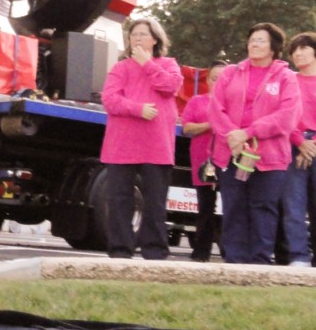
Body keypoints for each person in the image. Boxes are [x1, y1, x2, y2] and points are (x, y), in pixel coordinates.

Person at [208, 23, 301, 265]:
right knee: (234, 207)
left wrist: (248, 132)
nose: (254, 44)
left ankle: (259, 264)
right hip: (231, 153)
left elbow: (287, 116)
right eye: (252, 40)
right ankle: (235, 262)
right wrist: (233, 136)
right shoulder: (230, 73)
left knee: (264, 208)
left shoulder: (286, 77)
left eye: (261, 40)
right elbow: (216, 109)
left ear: (274, 47)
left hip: (270, 157)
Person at [100, 17, 183, 260]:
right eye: (134, 34)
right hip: (121, 146)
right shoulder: (120, 68)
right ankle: (120, 251)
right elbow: (110, 100)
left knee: (155, 202)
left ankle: (155, 251)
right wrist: (138, 109)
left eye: (143, 34)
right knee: (119, 201)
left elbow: (171, 86)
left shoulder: (168, 64)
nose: (137, 38)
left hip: (157, 146)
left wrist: (148, 64)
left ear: (155, 39)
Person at [181, 60, 228, 262]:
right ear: (208, 80)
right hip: (203, 162)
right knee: (205, 208)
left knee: (231, 207)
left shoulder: (234, 103)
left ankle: (230, 251)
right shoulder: (197, 101)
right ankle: (201, 252)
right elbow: (187, 128)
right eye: (215, 78)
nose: (219, 82)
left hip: (228, 161)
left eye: (223, 78)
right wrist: (210, 125)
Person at [281, 31, 316, 267]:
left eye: (304, 48)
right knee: (293, 206)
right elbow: (283, 115)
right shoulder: (287, 80)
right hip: (293, 146)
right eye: (294, 50)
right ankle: (299, 256)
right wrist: (300, 142)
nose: (298, 53)